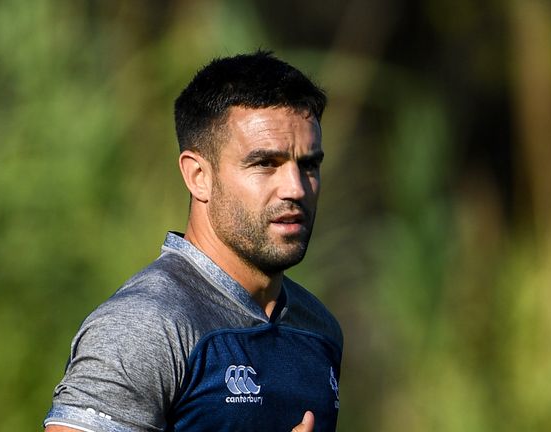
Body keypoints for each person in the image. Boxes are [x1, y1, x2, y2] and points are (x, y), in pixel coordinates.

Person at [43, 50, 342, 432]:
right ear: (198, 175)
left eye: (309, 165)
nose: (296, 188)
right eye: (265, 163)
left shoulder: (318, 329)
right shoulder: (146, 325)